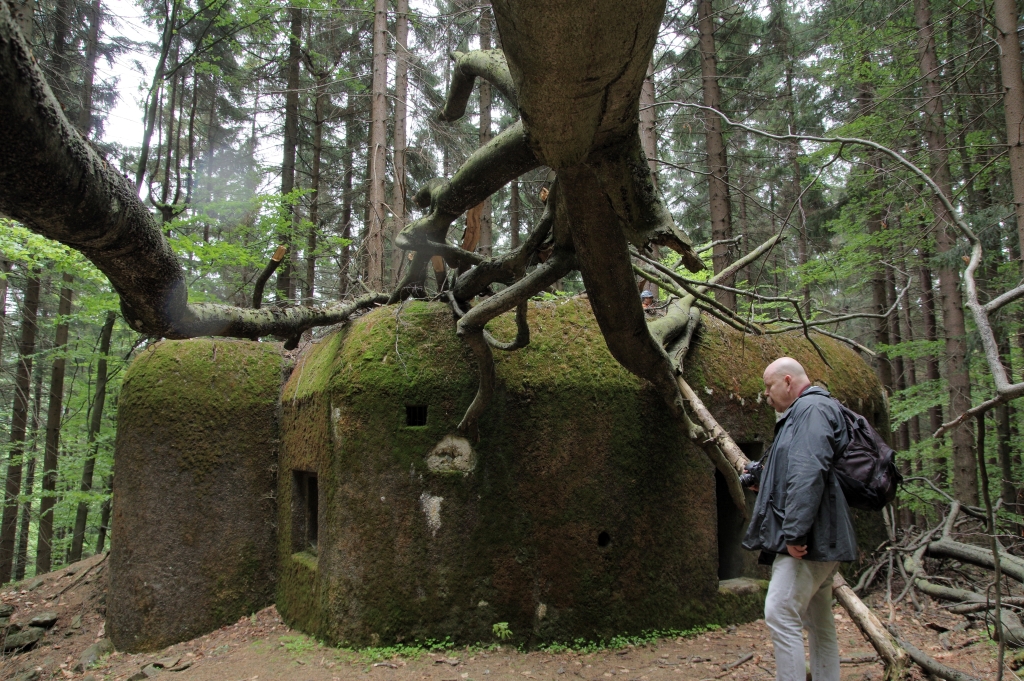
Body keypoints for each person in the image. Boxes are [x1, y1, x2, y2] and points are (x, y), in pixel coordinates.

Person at [742, 357, 857, 681]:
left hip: (809, 540)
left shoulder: (811, 410)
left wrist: (794, 534)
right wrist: (760, 480)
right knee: (820, 622)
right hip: (820, 538)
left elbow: (809, 472)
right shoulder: (805, 413)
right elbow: (797, 469)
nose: (766, 395)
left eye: (769, 387)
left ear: (788, 381)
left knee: (779, 612)